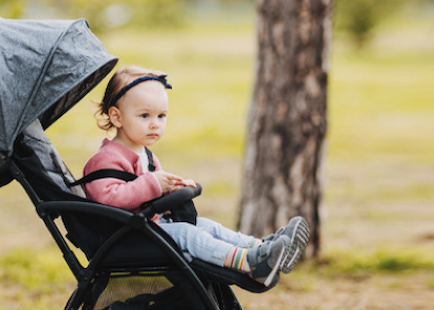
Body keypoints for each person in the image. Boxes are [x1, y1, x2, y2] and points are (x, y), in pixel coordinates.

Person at [80, 66, 308, 285]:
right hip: (124, 240)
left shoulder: (146, 156)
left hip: (147, 228)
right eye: (145, 116)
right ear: (117, 117)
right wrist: (153, 185)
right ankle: (250, 264)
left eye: (161, 116)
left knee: (208, 227)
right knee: (189, 235)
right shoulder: (105, 160)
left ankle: (261, 247)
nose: (155, 125)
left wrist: (172, 191)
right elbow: (108, 199)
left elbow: (149, 196)